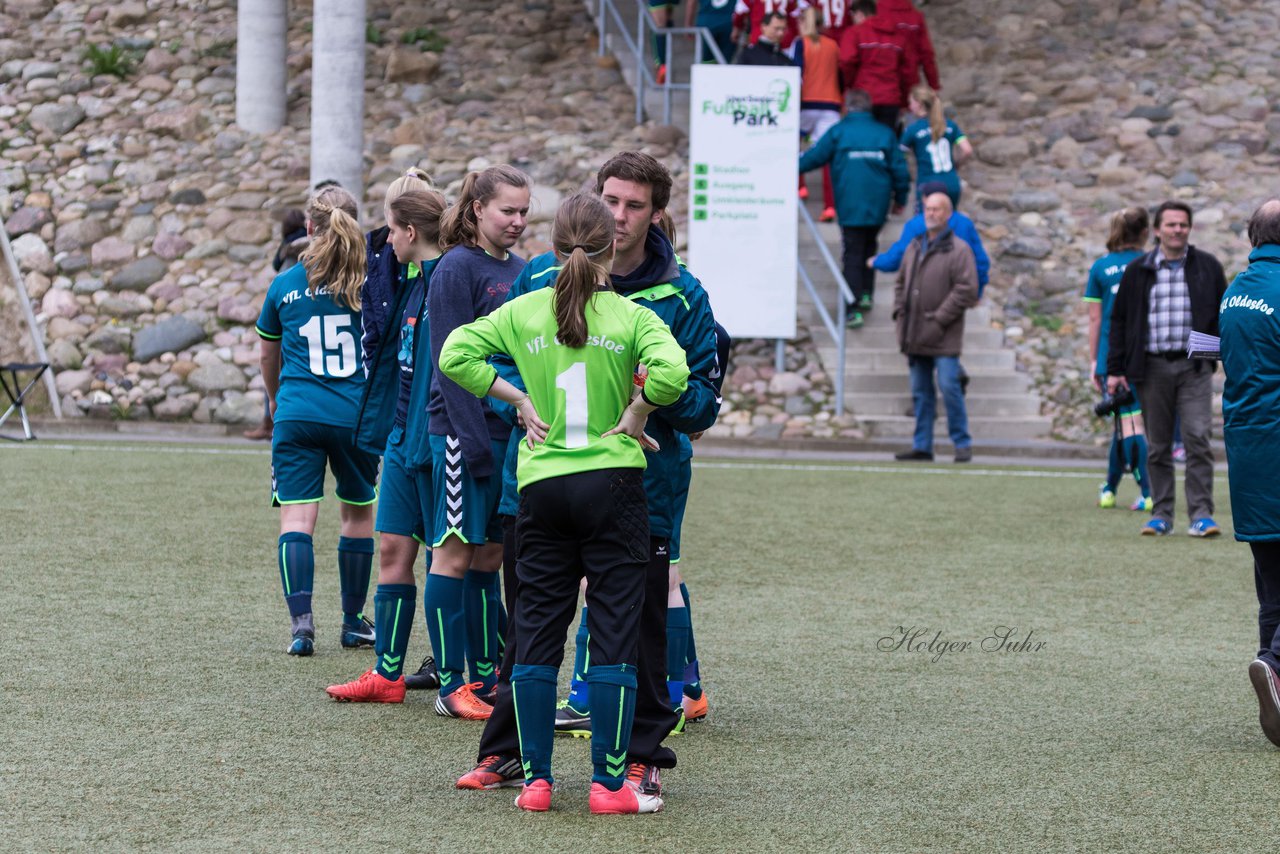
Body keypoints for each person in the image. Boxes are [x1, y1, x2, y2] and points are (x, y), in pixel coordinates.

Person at [456, 151, 721, 800]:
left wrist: (643, 401)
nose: (623, 214)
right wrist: (520, 403)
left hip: (644, 485)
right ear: (598, 207)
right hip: (545, 480)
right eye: (613, 201)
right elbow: (512, 358)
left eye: (636, 204)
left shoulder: (680, 294)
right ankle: (508, 751)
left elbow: (702, 401)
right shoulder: (541, 277)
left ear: (657, 213)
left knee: (636, 630)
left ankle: (640, 757)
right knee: (531, 624)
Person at [325, 187, 449, 704]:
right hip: (400, 438)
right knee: (393, 548)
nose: (386, 239)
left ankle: (463, 675)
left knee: (459, 561)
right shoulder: (407, 280)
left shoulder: (449, 279)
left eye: (392, 230)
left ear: (412, 233)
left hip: (439, 443)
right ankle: (388, 674)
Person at [254, 185, 378, 655]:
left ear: (309, 227)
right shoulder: (371, 282)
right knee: (356, 515)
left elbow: (268, 352)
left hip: (298, 413)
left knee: (297, 518)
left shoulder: (285, 284)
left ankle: (302, 628)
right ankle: (352, 622)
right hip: (355, 415)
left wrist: (274, 400)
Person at [425, 165, 529, 719]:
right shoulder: (455, 267)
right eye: (506, 210)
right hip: (462, 436)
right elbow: (449, 363)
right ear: (476, 210)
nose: (516, 221)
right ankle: (448, 685)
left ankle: (486, 676)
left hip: (505, 435)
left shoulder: (521, 269)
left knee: (490, 554)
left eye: (523, 212)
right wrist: (473, 439)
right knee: (454, 552)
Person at [1106, 201, 1227, 537]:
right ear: (1157, 230)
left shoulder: (1207, 267)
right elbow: (1119, 322)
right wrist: (1115, 369)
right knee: (1158, 445)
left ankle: (1201, 515)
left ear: (1190, 229)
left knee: (1197, 438)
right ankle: (1161, 514)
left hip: (1194, 368)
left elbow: (1223, 314)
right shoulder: (1138, 270)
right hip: (1151, 368)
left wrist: (1222, 354)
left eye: (1183, 225)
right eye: (1171, 225)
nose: (1178, 230)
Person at [1221, 200, 1280, 747]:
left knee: (1271, 584)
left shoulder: (1235, 291)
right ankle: (1273, 661)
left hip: (1247, 452)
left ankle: (1279, 704)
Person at [798, 87, 909, 328]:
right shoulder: (885, 133)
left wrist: (786, 166)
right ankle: (866, 293)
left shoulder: (839, 132)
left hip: (849, 205)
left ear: (846, 108)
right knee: (870, 246)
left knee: (852, 253)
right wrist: (900, 199)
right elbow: (900, 170)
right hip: (878, 205)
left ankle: (852, 308)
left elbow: (813, 158)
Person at [892, 191, 977, 462]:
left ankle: (961, 444)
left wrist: (939, 319)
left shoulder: (959, 249)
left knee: (949, 387)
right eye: (928, 209)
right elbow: (900, 282)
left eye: (937, 209)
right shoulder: (914, 246)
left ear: (948, 214)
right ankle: (922, 446)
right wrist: (899, 312)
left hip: (944, 335)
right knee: (920, 392)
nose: (931, 214)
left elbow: (967, 290)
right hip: (914, 333)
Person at [1083, 207, 1152, 513]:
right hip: (1146, 355)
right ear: (1145, 232)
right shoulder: (1152, 264)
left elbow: (1095, 319)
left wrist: (1094, 361)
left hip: (1111, 358)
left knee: (1128, 424)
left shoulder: (1100, 268)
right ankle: (1110, 488)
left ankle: (1148, 492)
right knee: (1126, 426)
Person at [246, 209, 311, 442]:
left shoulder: (287, 254)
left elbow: (275, 265)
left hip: (289, 319)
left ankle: (269, 420)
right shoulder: (316, 245)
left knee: (273, 365)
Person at [869, 179, 990, 298]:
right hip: (955, 295)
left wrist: (877, 262)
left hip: (924, 295)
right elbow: (980, 261)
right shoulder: (965, 223)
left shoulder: (917, 224)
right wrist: (976, 292)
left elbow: (900, 255)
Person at [793, 5, 843, 222]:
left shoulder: (800, 44)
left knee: (793, 146)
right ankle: (830, 206)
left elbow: (797, 74)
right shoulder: (833, 45)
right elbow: (840, 75)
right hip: (831, 104)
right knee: (828, 155)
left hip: (806, 104)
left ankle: (800, 187)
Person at [899, 86, 972, 210]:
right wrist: (956, 165)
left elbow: (900, 156)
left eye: (911, 103)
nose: (910, 107)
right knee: (948, 223)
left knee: (926, 225)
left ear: (919, 104)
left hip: (928, 184)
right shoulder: (950, 125)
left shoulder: (913, 129)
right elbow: (967, 150)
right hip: (952, 183)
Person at [838, 1, 908, 131]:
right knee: (885, 142)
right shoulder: (897, 36)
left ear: (859, 14)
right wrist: (904, 101)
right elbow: (906, 71)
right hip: (891, 99)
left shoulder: (854, 32)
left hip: (863, 97)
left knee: (861, 143)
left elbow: (846, 61)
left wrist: (850, 84)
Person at [877, 0, 939, 93]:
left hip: (881, 82)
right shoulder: (916, 17)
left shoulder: (875, 12)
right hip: (910, 82)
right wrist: (933, 85)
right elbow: (927, 54)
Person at [732, 0, 804, 52]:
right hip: (783, 39)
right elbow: (794, 17)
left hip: (758, 38)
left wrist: (737, 27)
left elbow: (740, 12)